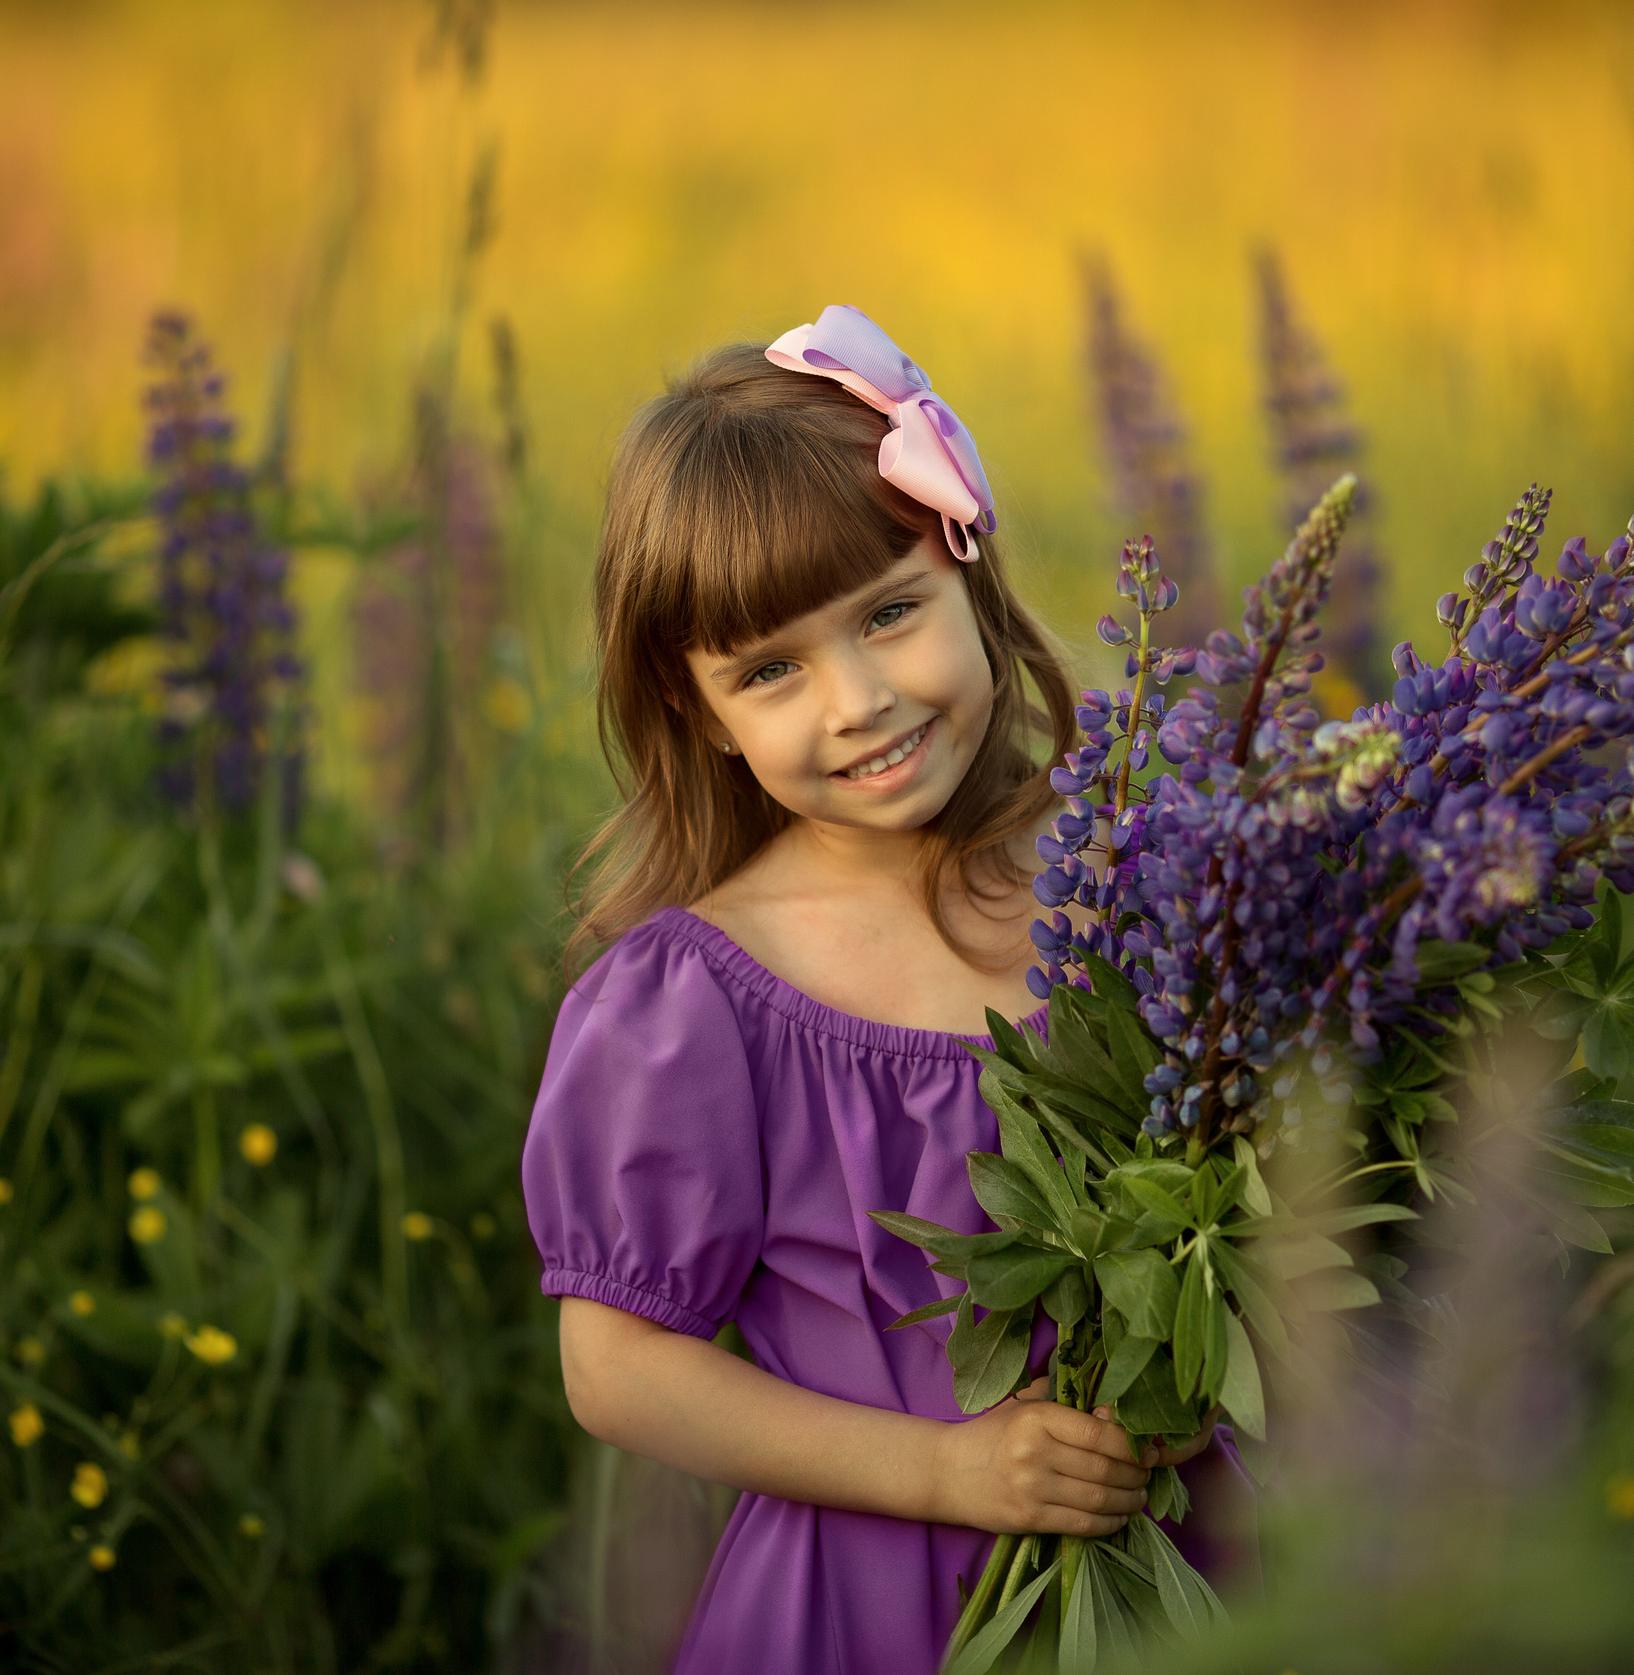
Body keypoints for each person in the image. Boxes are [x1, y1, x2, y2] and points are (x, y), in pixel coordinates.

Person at [522, 306, 1246, 1674]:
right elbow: (614, 1371)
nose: (855, 700)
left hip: (1181, 1563)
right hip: (868, 1600)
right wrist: (948, 1475)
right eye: (771, 670)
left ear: (968, 567)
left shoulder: (1137, 870)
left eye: (891, 613)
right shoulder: (698, 1002)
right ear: (699, 715)